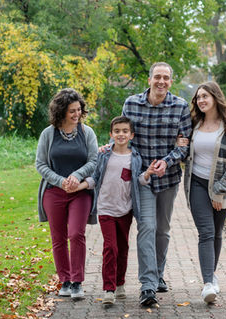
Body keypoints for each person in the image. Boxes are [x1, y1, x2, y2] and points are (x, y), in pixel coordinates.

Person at [121, 62, 192, 306]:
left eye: (166, 78)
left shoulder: (181, 107)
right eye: (157, 77)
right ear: (149, 79)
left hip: (169, 179)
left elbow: (183, 146)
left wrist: (167, 162)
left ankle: (158, 274)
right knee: (147, 228)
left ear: (171, 81)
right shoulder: (131, 104)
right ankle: (148, 286)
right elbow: (124, 138)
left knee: (162, 230)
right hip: (143, 178)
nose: (161, 81)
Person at [75, 116, 157, 306]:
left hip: (125, 210)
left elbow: (138, 180)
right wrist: (80, 186)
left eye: (125, 131)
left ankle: (120, 283)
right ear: (111, 134)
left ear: (131, 135)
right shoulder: (104, 154)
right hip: (106, 209)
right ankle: (109, 289)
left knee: (122, 248)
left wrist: (148, 173)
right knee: (110, 247)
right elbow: (95, 177)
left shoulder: (135, 157)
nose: (121, 134)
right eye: (117, 131)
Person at [182, 81, 226, 303]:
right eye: (198, 97)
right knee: (206, 232)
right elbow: (183, 152)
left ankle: (212, 276)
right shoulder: (193, 125)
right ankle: (208, 282)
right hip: (196, 184)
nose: (201, 101)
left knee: (217, 233)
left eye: (205, 96)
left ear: (216, 98)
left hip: (221, 187)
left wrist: (219, 191)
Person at [35, 88, 98, 301]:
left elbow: (94, 161)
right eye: (72, 111)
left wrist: (76, 176)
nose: (76, 114)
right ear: (61, 111)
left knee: (76, 234)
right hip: (54, 192)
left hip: (79, 192)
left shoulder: (87, 133)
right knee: (58, 238)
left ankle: (78, 281)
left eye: (79, 110)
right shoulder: (48, 134)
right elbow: (40, 164)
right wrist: (60, 181)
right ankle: (65, 280)